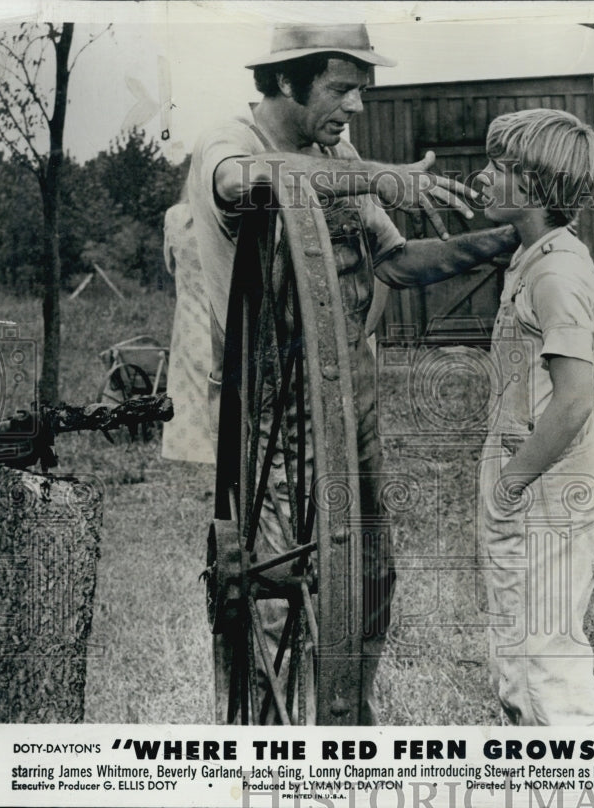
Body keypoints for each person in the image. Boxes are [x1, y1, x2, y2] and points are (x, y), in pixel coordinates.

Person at [187, 23, 518, 724]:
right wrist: (379, 176)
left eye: (361, 90)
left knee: (370, 574)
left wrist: (496, 242)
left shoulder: (336, 150)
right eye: (341, 88)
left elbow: (394, 262)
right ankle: (275, 745)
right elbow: (242, 183)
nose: (356, 107)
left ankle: (347, 720)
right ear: (285, 80)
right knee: (280, 583)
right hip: (277, 399)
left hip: (352, 391)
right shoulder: (230, 140)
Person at [475, 108, 594, 725]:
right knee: (518, 654)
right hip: (530, 482)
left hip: (547, 489)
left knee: (549, 658)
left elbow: (575, 398)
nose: (480, 177)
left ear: (532, 186)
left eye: (495, 168)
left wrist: (510, 485)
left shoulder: (556, 272)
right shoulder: (534, 258)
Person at [161, 191, 214, 464]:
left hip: (193, 321)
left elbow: (170, 265)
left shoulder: (176, 217)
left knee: (197, 396)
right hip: (231, 316)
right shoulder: (231, 216)